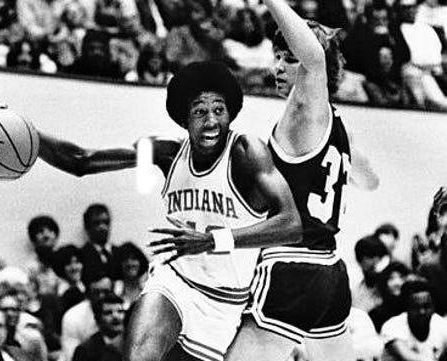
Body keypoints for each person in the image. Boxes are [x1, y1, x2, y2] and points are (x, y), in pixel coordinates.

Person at [31, 59, 301, 361]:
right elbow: (82, 160)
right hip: (174, 280)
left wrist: (213, 240)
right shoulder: (167, 153)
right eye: (200, 111)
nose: (211, 121)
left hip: (224, 303)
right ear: (184, 119)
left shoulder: (246, 152)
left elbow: (291, 224)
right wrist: (25, 133)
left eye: (218, 110)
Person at [224, 0, 376, 359]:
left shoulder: (304, 107)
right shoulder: (337, 124)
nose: (278, 66)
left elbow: (313, 56)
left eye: (288, 58)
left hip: (292, 266)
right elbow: (370, 182)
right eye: (277, 56)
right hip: (331, 273)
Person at [380, 278, 447, 361]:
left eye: (426, 306)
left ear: (434, 307)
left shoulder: (441, 324)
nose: (422, 312)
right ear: (407, 308)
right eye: (416, 307)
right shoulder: (392, 326)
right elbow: (408, 357)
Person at [71, 293, 126, 361]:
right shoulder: (86, 350)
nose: (115, 316)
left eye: (120, 312)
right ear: (97, 318)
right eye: (108, 313)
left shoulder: (133, 343)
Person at [79, 204, 119, 284]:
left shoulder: (120, 253)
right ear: (87, 227)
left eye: (106, 222)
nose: (102, 227)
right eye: (96, 223)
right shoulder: (80, 256)